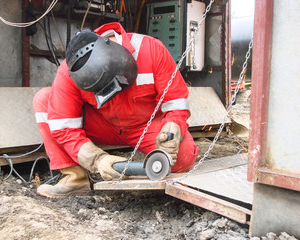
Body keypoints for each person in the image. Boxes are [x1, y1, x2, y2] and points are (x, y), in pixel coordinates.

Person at [33, 22, 199, 198]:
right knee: (44, 99)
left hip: (144, 126)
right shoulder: (69, 71)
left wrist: (173, 127)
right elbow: (64, 127)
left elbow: (175, 101)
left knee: (183, 158)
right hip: (102, 125)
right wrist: (98, 161)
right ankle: (75, 178)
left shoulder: (150, 49)